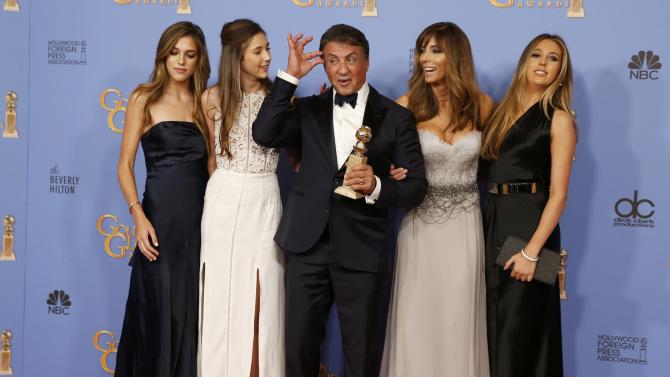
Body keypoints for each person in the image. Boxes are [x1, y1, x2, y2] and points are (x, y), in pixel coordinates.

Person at [252, 24, 428, 377]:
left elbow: (416, 188)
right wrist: (289, 77)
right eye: (333, 61)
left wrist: (377, 185)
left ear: (367, 61)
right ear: (325, 65)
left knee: (362, 356)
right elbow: (264, 133)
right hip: (306, 246)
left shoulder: (396, 118)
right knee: (298, 351)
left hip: (363, 250)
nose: (343, 70)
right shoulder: (306, 109)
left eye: (351, 60)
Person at [380, 21, 493, 377]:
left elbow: (504, 164)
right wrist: (394, 174)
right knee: (418, 317)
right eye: (422, 49)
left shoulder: (483, 105)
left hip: (465, 226)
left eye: (435, 50)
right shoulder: (406, 105)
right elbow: (374, 160)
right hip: (421, 225)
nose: (424, 58)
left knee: (459, 316)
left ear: (455, 56)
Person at [115, 21, 211, 377]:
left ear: (199, 59)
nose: (181, 62)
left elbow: (216, 165)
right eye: (174, 53)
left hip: (200, 228)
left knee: (193, 323)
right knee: (156, 320)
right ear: (163, 54)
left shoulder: (205, 101)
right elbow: (124, 166)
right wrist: (138, 217)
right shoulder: (144, 97)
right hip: (157, 226)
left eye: (189, 54)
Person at [480, 34, 576, 377]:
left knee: (524, 330)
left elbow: (560, 194)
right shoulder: (498, 110)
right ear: (524, 62)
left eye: (553, 59)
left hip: (532, 228)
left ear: (561, 72)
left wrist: (533, 252)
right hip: (491, 218)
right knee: (492, 326)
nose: (542, 63)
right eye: (536, 55)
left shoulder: (560, 118)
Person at [197, 19, 285, 377]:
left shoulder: (279, 96)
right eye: (258, 51)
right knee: (219, 300)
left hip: (265, 199)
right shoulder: (212, 97)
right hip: (222, 201)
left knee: (261, 301)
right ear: (237, 55)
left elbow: (296, 154)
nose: (267, 57)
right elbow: (212, 158)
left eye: (268, 49)